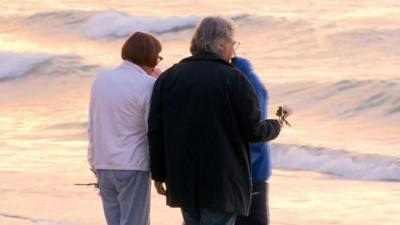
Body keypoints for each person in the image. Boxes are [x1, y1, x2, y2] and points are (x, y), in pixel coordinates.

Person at [148, 16, 283, 225]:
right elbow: (253, 130)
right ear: (220, 46)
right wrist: (275, 125)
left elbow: (156, 131)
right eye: (232, 44)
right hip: (222, 183)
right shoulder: (235, 79)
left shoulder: (170, 77)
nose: (233, 51)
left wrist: (158, 173)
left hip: (183, 180)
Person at [87, 31, 162, 225]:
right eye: (158, 57)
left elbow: (93, 123)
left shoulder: (101, 79)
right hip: (132, 165)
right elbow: (152, 131)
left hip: (103, 163)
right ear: (151, 57)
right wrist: (161, 172)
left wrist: (93, 161)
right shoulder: (148, 85)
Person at [231, 57, 271, 225]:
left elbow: (255, 128)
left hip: (250, 174)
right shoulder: (234, 76)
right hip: (236, 174)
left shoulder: (244, 78)